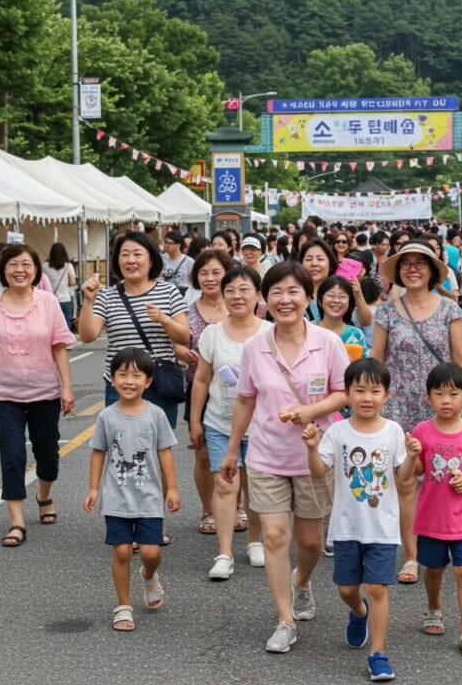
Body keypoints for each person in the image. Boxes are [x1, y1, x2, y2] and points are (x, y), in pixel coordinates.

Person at [221, 261, 349, 654]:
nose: (284, 299)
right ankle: (285, 619)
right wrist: (232, 450)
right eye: (276, 292)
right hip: (266, 456)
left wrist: (311, 411)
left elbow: (344, 391)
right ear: (265, 299)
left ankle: (302, 581)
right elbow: (245, 400)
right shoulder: (255, 347)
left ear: (308, 297)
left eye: (293, 291)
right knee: (275, 535)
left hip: (314, 457)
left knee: (310, 541)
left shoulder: (327, 342)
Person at [302, 358, 420, 681]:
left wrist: (412, 456)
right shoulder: (337, 431)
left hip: (382, 528)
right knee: (347, 589)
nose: (367, 398)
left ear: (386, 394)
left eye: (375, 391)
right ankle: (358, 612)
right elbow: (318, 471)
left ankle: (378, 654)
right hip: (346, 526)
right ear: (348, 394)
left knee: (378, 588)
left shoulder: (393, 431)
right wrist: (312, 448)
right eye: (360, 390)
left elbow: (403, 477)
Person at [371, 240, 462, 585]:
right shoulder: (386, 311)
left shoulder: (450, 309)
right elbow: (376, 359)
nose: (413, 269)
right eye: (406, 264)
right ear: (398, 271)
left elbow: (460, 358)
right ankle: (412, 556)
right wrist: (371, 402)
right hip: (397, 406)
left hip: (441, 406)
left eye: (420, 263)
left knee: (441, 479)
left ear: (432, 270)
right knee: (405, 482)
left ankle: (441, 542)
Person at [0, 243, 75, 547]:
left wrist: (67, 388)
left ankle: (44, 494)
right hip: (4, 394)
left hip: (45, 391)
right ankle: (16, 520)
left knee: (48, 454)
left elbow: (59, 346)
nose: (20, 270)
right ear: (3, 270)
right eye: (13, 264)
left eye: (26, 264)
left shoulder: (48, 302)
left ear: (36, 270)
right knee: (12, 455)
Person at [84, 348, 181, 631]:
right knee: (122, 552)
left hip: (149, 497)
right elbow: (98, 451)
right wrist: (93, 488)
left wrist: (172, 489)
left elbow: (165, 452)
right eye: (122, 374)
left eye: (136, 376)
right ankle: (123, 605)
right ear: (112, 379)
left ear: (148, 381)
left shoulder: (156, 414)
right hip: (116, 497)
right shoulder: (106, 416)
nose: (129, 381)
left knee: (151, 552)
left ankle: (149, 576)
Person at [188, 265, 270, 579]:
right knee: (225, 486)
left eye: (244, 289)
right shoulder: (212, 334)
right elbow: (201, 380)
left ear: (258, 295)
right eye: (230, 290)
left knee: (256, 487)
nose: (237, 296)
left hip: (261, 427)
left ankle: (255, 542)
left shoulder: (270, 333)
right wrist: (195, 421)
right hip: (220, 424)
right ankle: (224, 553)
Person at [412, 363, 462, 656]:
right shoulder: (422, 430)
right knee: (433, 569)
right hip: (431, 517)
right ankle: (434, 607)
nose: (446, 401)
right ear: (429, 397)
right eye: (439, 394)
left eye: (453, 394)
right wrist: (412, 454)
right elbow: (417, 470)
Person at [78, 231, 190, 434]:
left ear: (151, 259)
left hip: (157, 382)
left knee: (159, 444)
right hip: (119, 384)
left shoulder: (169, 292)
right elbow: (88, 335)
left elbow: (184, 337)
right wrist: (88, 300)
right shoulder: (107, 296)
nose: (131, 260)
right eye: (125, 254)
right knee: (120, 443)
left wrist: (164, 319)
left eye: (137, 254)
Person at [175, 249, 232, 534]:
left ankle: (237, 506)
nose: (210, 278)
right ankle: (208, 509)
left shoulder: (241, 306)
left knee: (238, 451)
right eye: (203, 273)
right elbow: (178, 342)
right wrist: (183, 352)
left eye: (216, 272)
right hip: (200, 389)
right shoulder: (188, 310)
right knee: (203, 454)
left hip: (237, 391)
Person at [315, 275, 370, 363]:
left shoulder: (356, 335)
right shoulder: (307, 329)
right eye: (331, 295)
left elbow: (362, 367)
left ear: (349, 303)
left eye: (342, 296)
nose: (336, 300)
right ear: (320, 301)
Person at [298, 238, 337, 322]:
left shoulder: (341, 291)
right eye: (308, 259)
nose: (314, 264)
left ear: (330, 263)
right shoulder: (294, 294)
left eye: (320, 259)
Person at [42, 242, 77, 329]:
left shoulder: (45, 266)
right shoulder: (68, 266)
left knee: (51, 324)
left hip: (50, 299)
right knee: (66, 324)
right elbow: (73, 282)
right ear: (64, 253)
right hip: (65, 299)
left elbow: (41, 281)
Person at [161, 230, 191, 296]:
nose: (166, 246)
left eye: (170, 243)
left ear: (178, 245)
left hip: (182, 295)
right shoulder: (160, 258)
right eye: (165, 242)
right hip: (164, 294)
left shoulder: (189, 261)